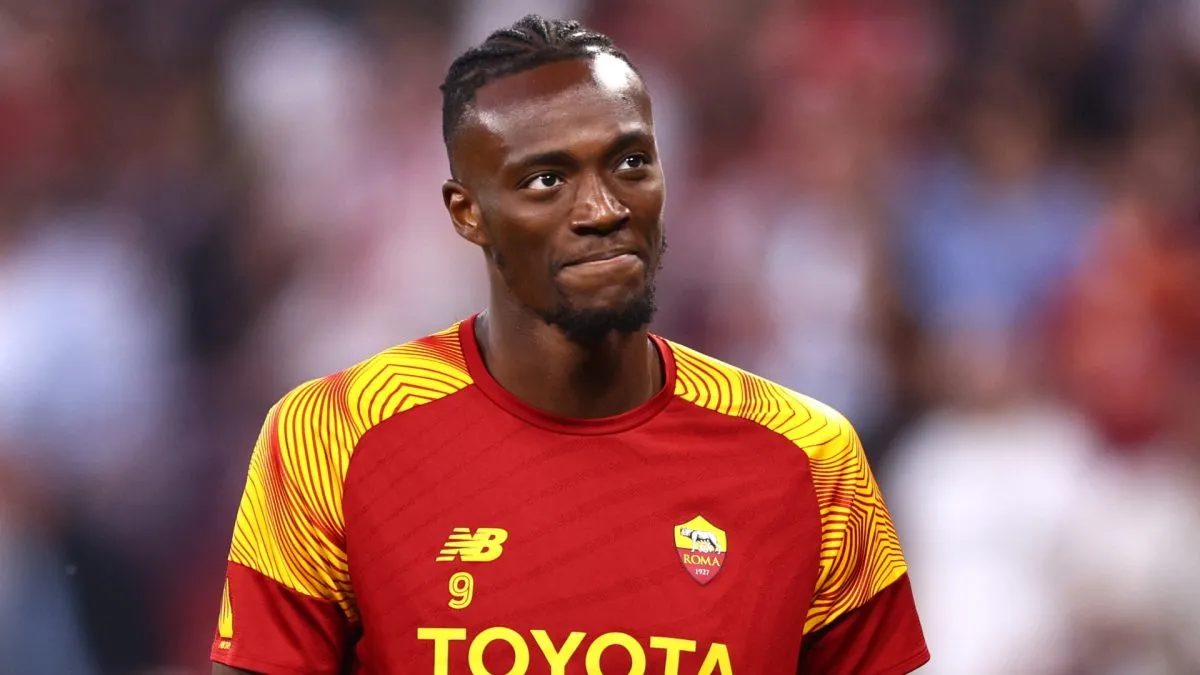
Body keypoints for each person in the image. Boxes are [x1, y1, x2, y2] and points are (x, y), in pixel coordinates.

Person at [211, 14, 928, 675]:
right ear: (468, 213)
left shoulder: (810, 460)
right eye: (546, 179)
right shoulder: (331, 436)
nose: (603, 209)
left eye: (631, 163)